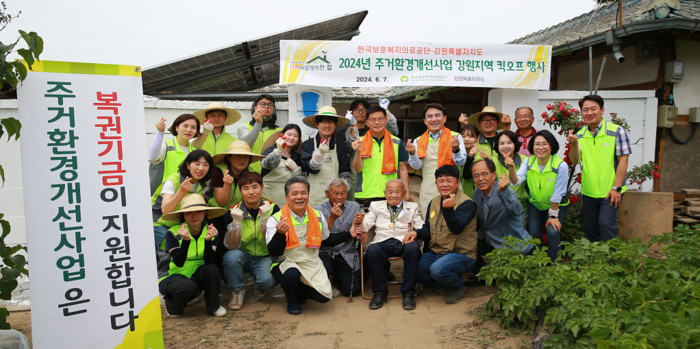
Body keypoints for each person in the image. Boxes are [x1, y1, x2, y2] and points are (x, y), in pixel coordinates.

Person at [266, 176, 362, 315]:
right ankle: (292, 299)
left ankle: (298, 291)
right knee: (292, 274)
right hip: (286, 262)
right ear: (286, 197)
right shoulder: (275, 219)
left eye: (303, 193)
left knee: (324, 297)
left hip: (310, 262)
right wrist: (280, 233)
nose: (299, 197)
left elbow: (326, 240)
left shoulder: (317, 215)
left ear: (308, 195)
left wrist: (349, 234)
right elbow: (274, 251)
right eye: (294, 194)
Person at [404, 165, 478, 304]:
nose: (445, 184)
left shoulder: (467, 204)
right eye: (441, 181)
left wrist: (449, 211)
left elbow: (457, 228)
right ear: (436, 183)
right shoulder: (434, 201)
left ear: (458, 182)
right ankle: (443, 279)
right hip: (438, 252)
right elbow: (428, 228)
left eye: (449, 181)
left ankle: (456, 285)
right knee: (409, 273)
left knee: (438, 269)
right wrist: (416, 233)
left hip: (462, 253)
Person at [568, 95, 630, 242]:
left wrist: (617, 188)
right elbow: (575, 160)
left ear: (602, 110)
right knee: (590, 228)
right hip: (589, 191)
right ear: (582, 113)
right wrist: (573, 144)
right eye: (585, 110)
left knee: (605, 225)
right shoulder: (580, 135)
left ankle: (610, 260)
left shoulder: (617, 132)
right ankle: (595, 261)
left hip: (610, 190)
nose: (589, 113)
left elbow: (624, 161)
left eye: (593, 109)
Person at [157, 194, 228, 317]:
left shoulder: (212, 231)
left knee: (212, 270)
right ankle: (172, 306)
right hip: (172, 277)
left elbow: (208, 260)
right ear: (183, 215)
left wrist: (207, 241)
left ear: (205, 213)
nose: (194, 216)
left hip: (195, 275)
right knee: (187, 287)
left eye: (199, 211)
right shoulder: (173, 233)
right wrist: (185, 241)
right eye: (189, 213)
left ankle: (214, 306)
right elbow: (178, 261)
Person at [362, 179, 424, 311]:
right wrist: (360, 225)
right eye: (390, 192)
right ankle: (380, 292)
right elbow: (367, 222)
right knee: (372, 251)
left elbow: (420, 226)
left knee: (413, 249)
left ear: (404, 192)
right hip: (382, 240)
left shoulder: (413, 207)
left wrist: (415, 232)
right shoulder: (376, 206)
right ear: (385, 193)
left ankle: (408, 293)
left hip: (404, 240)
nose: (393, 195)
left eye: (397, 191)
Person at [221, 172, 280, 311]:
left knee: (269, 282)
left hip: (264, 255)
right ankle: (237, 291)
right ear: (240, 191)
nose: (251, 192)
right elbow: (232, 245)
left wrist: (264, 220)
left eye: (255, 187)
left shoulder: (273, 209)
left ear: (262, 187)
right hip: (243, 254)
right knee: (231, 257)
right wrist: (236, 222)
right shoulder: (233, 211)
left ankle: (260, 285)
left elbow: (273, 243)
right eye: (246, 188)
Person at [510, 130, 569, 262]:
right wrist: (511, 167)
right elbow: (515, 181)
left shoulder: (561, 165)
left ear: (551, 146)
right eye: (537, 144)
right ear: (532, 147)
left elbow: (558, 193)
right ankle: (537, 263)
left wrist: (553, 216)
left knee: (552, 233)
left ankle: (554, 265)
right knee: (534, 235)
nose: (541, 147)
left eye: (544, 144)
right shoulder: (528, 162)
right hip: (535, 204)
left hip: (556, 206)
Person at [471, 159, 533, 277]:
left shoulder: (504, 190)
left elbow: (517, 211)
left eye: (484, 174)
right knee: (466, 244)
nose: (480, 179)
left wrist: (504, 192)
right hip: (490, 240)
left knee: (512, 278)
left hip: (511, 244)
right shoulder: (476, 193)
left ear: (494, 175)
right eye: (476, 175)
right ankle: (483, 276)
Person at [151, 150, 216, 259]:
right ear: (187, 165)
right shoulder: (173, 180)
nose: (201, 168)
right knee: (171, 251)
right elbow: (165, 210)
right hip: (159, 222)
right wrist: (181, 191)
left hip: (181, 222)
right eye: (197, 164)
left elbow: (200, 207)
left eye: (205, 165)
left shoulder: (205, 183)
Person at [406, 103, 467, 219]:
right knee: (430, 217)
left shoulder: (455, 136)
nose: (433, 119)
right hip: (429, 186)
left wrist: (456, 149)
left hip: (451, 185)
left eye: (437, 115)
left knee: (453, 217)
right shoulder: (418, 140)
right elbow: (416, 166)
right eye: (429, 116)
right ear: (425, 120)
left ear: (445, 118)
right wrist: (412, 153)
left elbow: (460, 163)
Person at [315, 178, 366, 297]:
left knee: (353, 290)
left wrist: (362, 229)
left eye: (343, 193)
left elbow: (360, 226)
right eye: (335, 193)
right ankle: (328, 277)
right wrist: (332, 218)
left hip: (347, 253)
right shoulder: (318, 210)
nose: (339, 197)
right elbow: (319, 236)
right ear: (327, 194)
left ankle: (337, 279)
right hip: (325, 253)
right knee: (323, 271)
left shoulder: (354, 206)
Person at [352, 106, 412, 206]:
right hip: (366, 195)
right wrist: (358, 152)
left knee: (392, 222)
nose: (377, 123)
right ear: (368, 123)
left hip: (392, 194)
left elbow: (402, 169)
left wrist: (407, 192)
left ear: (386, 121)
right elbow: (357, 169)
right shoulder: (360, 142)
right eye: (373, 119)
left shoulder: (397, 142)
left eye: (380, 119)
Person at [344, 98, 400, 202]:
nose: (360, 112)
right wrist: (352, 124)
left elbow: (394, 131)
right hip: (357, 166)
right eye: (356, 110)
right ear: (352, 112)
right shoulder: (348, 129)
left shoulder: (375, 127)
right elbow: (349, 146)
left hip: (379, 167)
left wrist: (386, 110)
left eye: (363, 109)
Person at [301, 106, 351, 207]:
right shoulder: (308, 145)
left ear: (335, 124)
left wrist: (341, 194)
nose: (327, 125)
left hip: (335, 198)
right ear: (317, 124)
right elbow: (310, 169)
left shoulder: (341, 146)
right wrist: (319, 155)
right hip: (313, 196)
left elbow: (344, 172)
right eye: (323, 122)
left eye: (331, 122)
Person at [148, 114, 200, 194]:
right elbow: (153, 157)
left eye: (193, 127)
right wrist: (160, 133)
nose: (189, 130)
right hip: (160, 199)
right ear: (176, 127)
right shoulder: (166, 145)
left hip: (184, 200)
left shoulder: (195, 152)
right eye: (185, 126)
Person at [211, 141, 266, 211]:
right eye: (237, 156)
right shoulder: (219, 170)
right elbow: (221, 202)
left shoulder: (252, 172)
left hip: (239, 212)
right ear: (229, 158)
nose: (242, 160)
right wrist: (227, 184)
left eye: (245, 156)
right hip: (216, 212)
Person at [260, 124, 303, 206]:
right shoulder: (271, 150)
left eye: (295, 136)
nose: (291, 138)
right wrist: (278, 151)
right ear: (282, 136)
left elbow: (301, 181)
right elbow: (266, 164)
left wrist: (296, 169)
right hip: (267, 199)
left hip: (287, 201)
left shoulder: (297, 157)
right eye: (289, 134)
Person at [494, 131, 529, 228]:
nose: (505, 146)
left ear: (515, 144)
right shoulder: (491, 161)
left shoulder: (525, 160)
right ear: (497, 146)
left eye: (509, 143)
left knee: (517, 239)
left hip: (520, 207)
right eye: (502, 143)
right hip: (498, 208)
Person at [238, 94, 282, 174]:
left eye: (270, 105)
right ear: (255, 108)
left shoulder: (279, 131)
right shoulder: (244, 127)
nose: (266, 107)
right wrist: (258, 123)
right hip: (248, 172)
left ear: (273, 110)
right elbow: (247, 143)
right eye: (262, 104)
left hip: (272, 174)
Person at [459, 124, 480, 198]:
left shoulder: (480, 156)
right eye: (463, 136)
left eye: (471, 136)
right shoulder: (456, 155)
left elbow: (466, 176)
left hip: (474, 197)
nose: (467, 139)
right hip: (456, 196)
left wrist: (471, 156)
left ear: (477, 139)